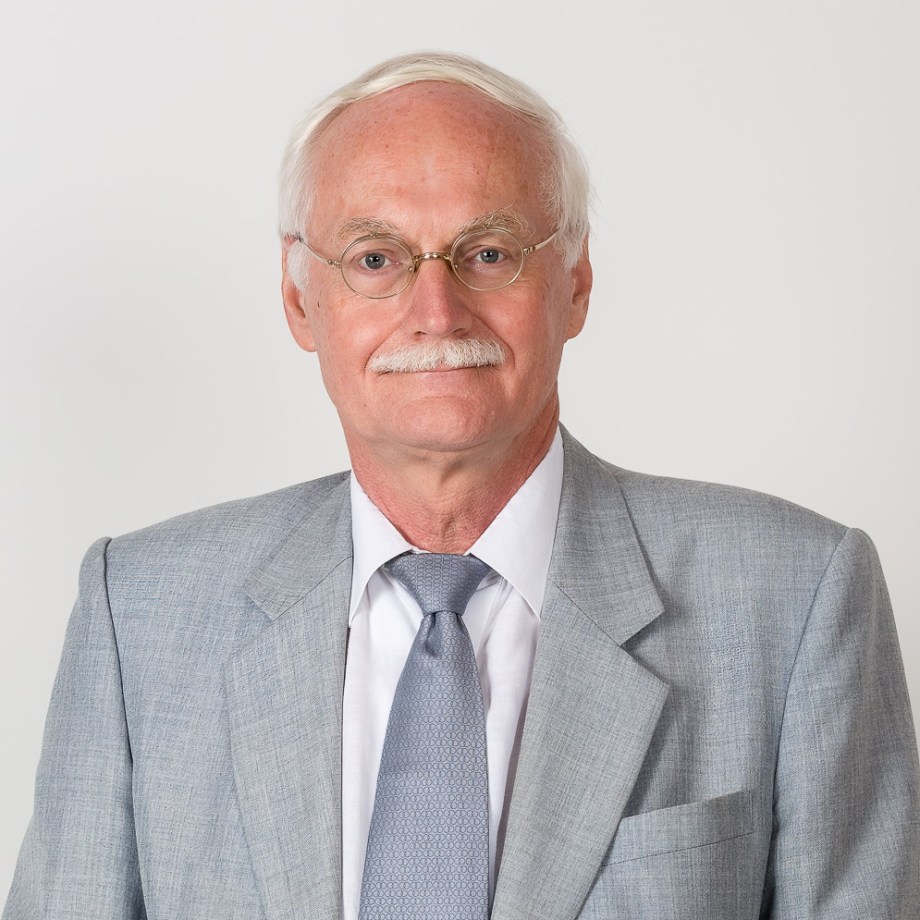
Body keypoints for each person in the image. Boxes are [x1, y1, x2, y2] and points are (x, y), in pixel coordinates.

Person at [4, 51, 919, 920]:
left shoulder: (796, 600)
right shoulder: (143, 613)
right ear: (298, 302)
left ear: (576, 281)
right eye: (375, 259)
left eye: (488, 252)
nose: (435, 312)